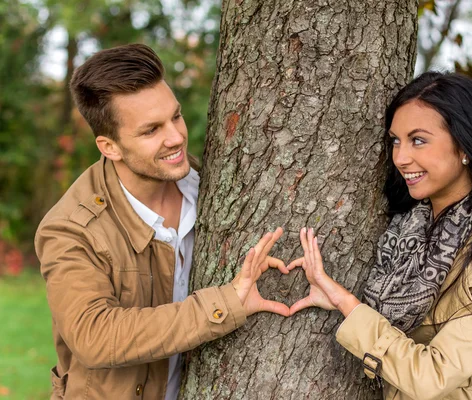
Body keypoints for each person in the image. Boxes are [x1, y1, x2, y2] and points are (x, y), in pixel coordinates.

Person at [287, 72, 472, 399]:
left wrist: (346, 303)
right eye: (395, 140)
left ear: (465, 146)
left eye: (418, 140)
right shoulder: (406, 225)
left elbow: (433, 377)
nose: (401, 157)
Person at [34, 44, 290, 400]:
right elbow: (93, 336)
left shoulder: (211, 188)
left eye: (176, 116)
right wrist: (226, 303)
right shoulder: (71, 229)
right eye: (151, 130)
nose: (176, 137)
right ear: (110, 147)